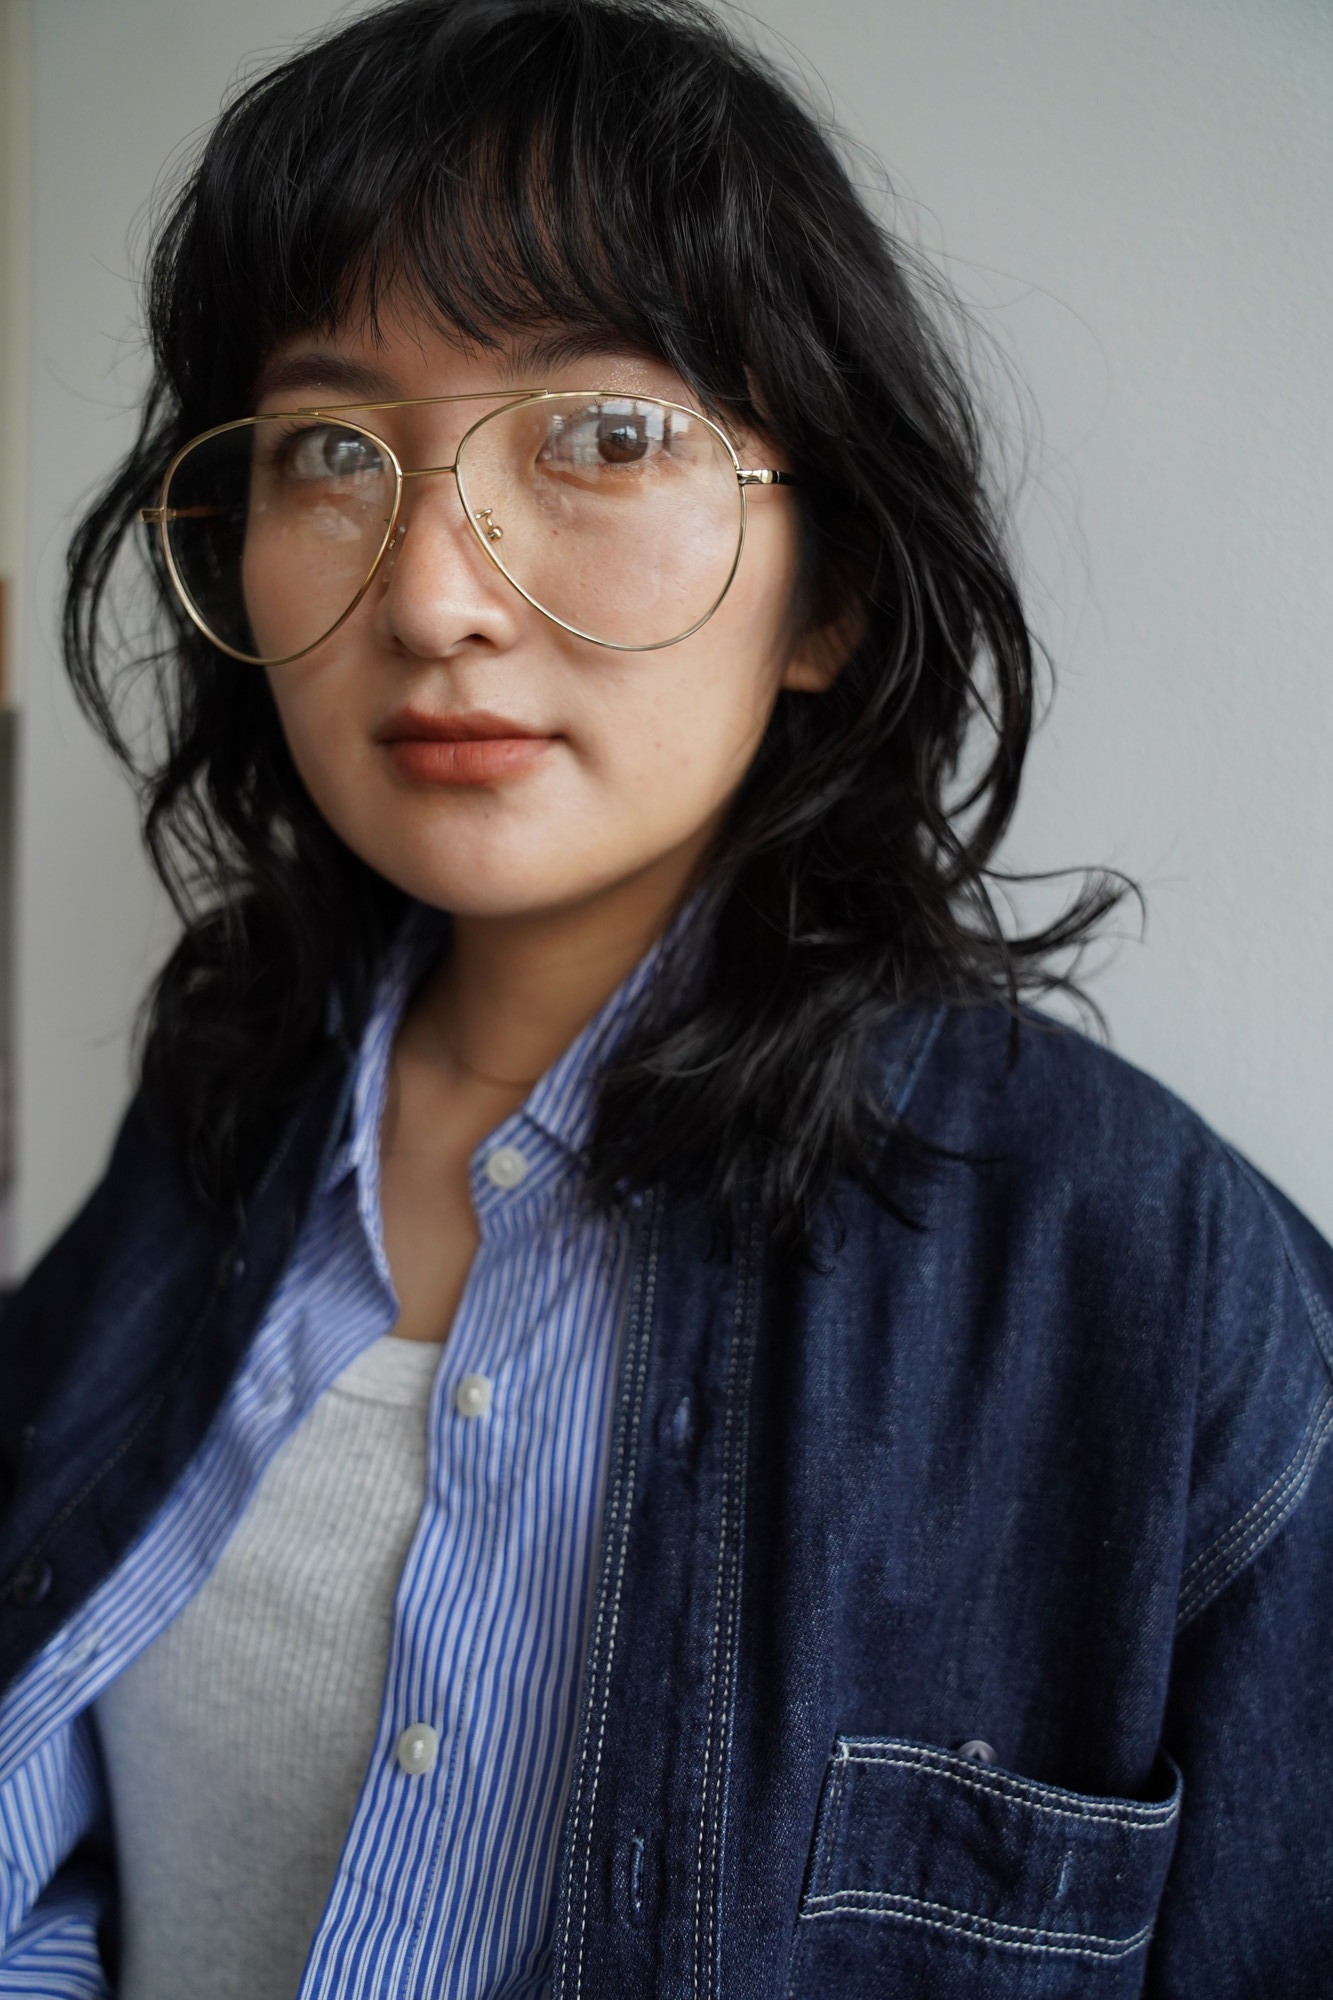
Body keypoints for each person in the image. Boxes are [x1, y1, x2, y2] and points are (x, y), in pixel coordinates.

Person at [1, 0, 1330, 1993]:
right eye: (331, 450)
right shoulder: (219, 1100)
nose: (431, 594)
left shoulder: (1146, 1284)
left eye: (605, 436)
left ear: (831, 590)